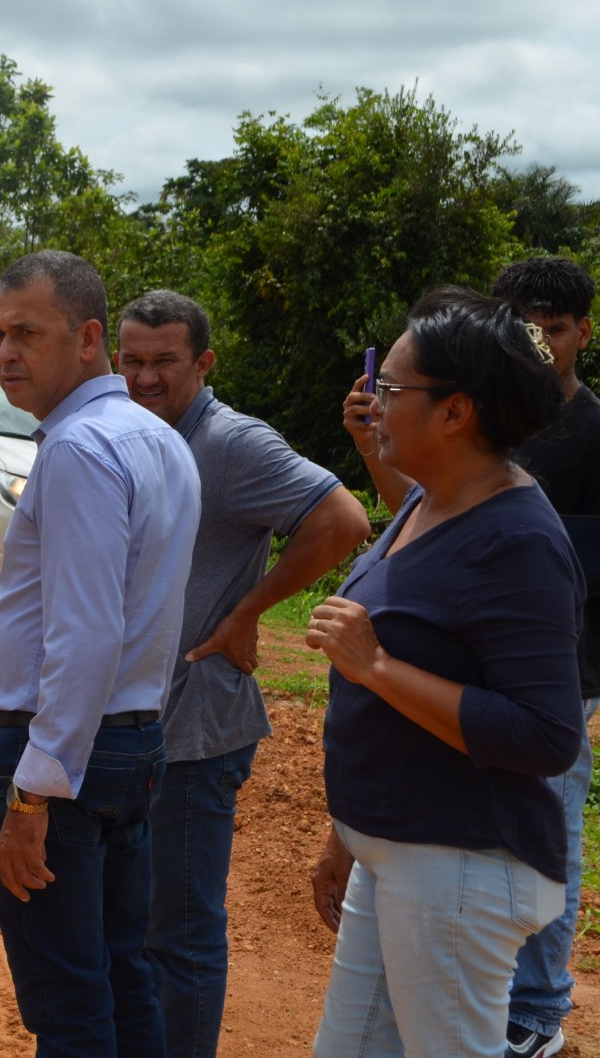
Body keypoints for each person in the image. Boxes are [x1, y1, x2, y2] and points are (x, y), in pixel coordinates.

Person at [310, 288, 583, 1057]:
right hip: (398, 850)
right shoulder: (431, 502)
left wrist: (378, 665)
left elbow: (547, 733)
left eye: (392, 390)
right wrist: (346, 838)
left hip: (461, 865)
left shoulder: (517, 540)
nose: (375, 402)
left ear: (456, 412)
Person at [115, 290, 369, 1057]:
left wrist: (246, 610)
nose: (146, 377)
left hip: (195, 727)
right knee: (133, 922)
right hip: (140, 719)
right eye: (132, 360)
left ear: (203, 361)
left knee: (180, 934)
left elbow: (343, 521)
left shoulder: (228, 443)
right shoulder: (137, 435)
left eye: (164, 361)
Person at [0, 250, 201, 1056]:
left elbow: (86, 631)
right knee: (119, 971)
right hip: (132, 741)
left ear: (88, 338)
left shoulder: (77, 448)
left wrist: (33, 793)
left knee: (69, 1003)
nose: (6, 352)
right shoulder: (157, 437)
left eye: (28, 332)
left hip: (62, 749)